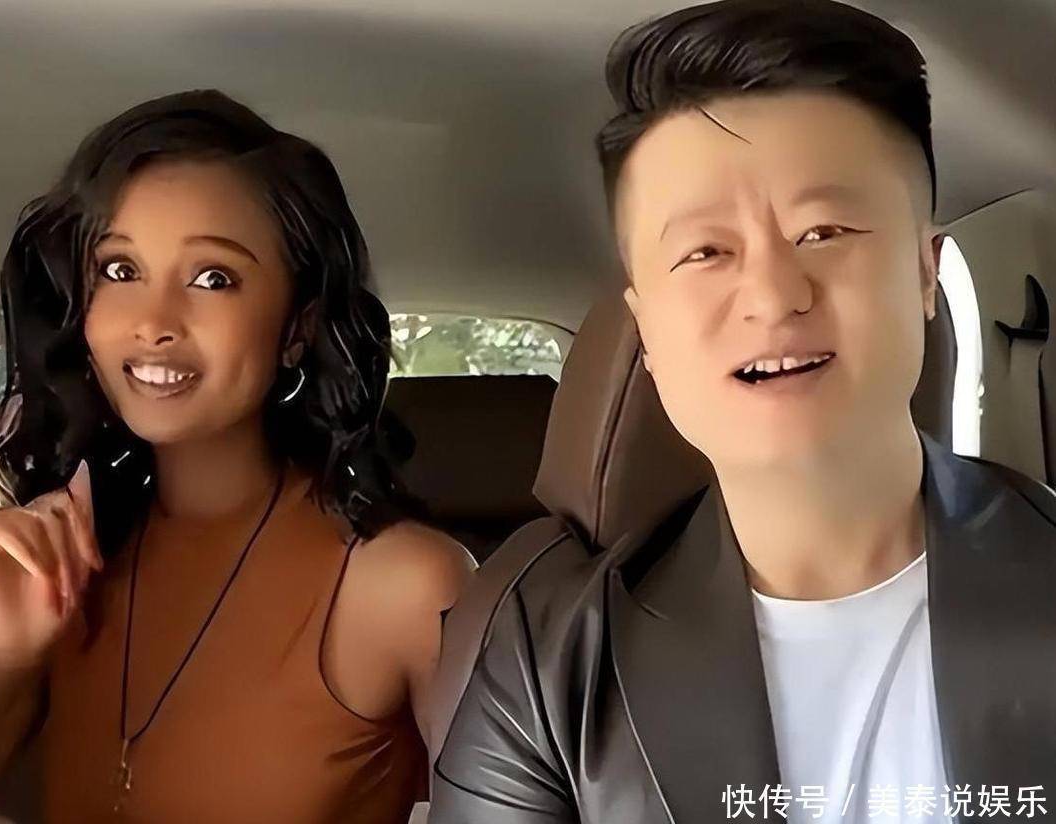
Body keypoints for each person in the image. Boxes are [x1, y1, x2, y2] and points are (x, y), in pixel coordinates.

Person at [430, 2, 1056, 822]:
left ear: (923, 273)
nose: (772, 295)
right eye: (706, 252)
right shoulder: (546, 673)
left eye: (823, 231)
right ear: (647, 331)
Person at [0, 89, 473, 823]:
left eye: (213, 278)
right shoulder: (64, 569)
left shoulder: (405, 586)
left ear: (297, 327)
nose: (153, 322)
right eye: (119, 270)